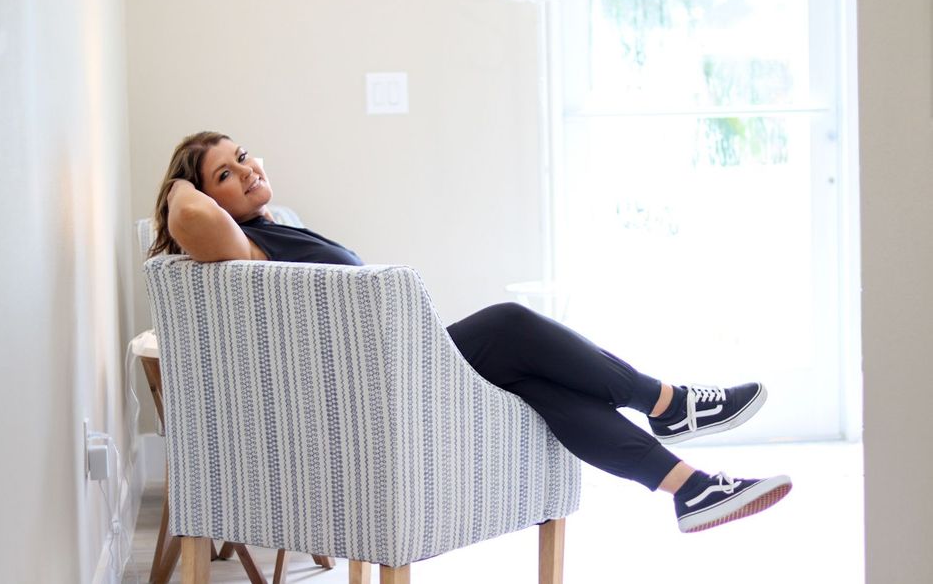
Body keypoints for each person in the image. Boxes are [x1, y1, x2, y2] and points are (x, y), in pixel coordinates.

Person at [149, 131, 792, 533]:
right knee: (508, 324)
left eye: (242, 156)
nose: (245, 170)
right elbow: (191, 219)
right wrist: (178, 182)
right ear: (207, 196)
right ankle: (667, 403)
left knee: (541, 383)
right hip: (387, 382)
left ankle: (688, 488)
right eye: (224, 176)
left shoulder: (270, 227)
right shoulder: (238, 247)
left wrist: (213, 172)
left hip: (398, 365)